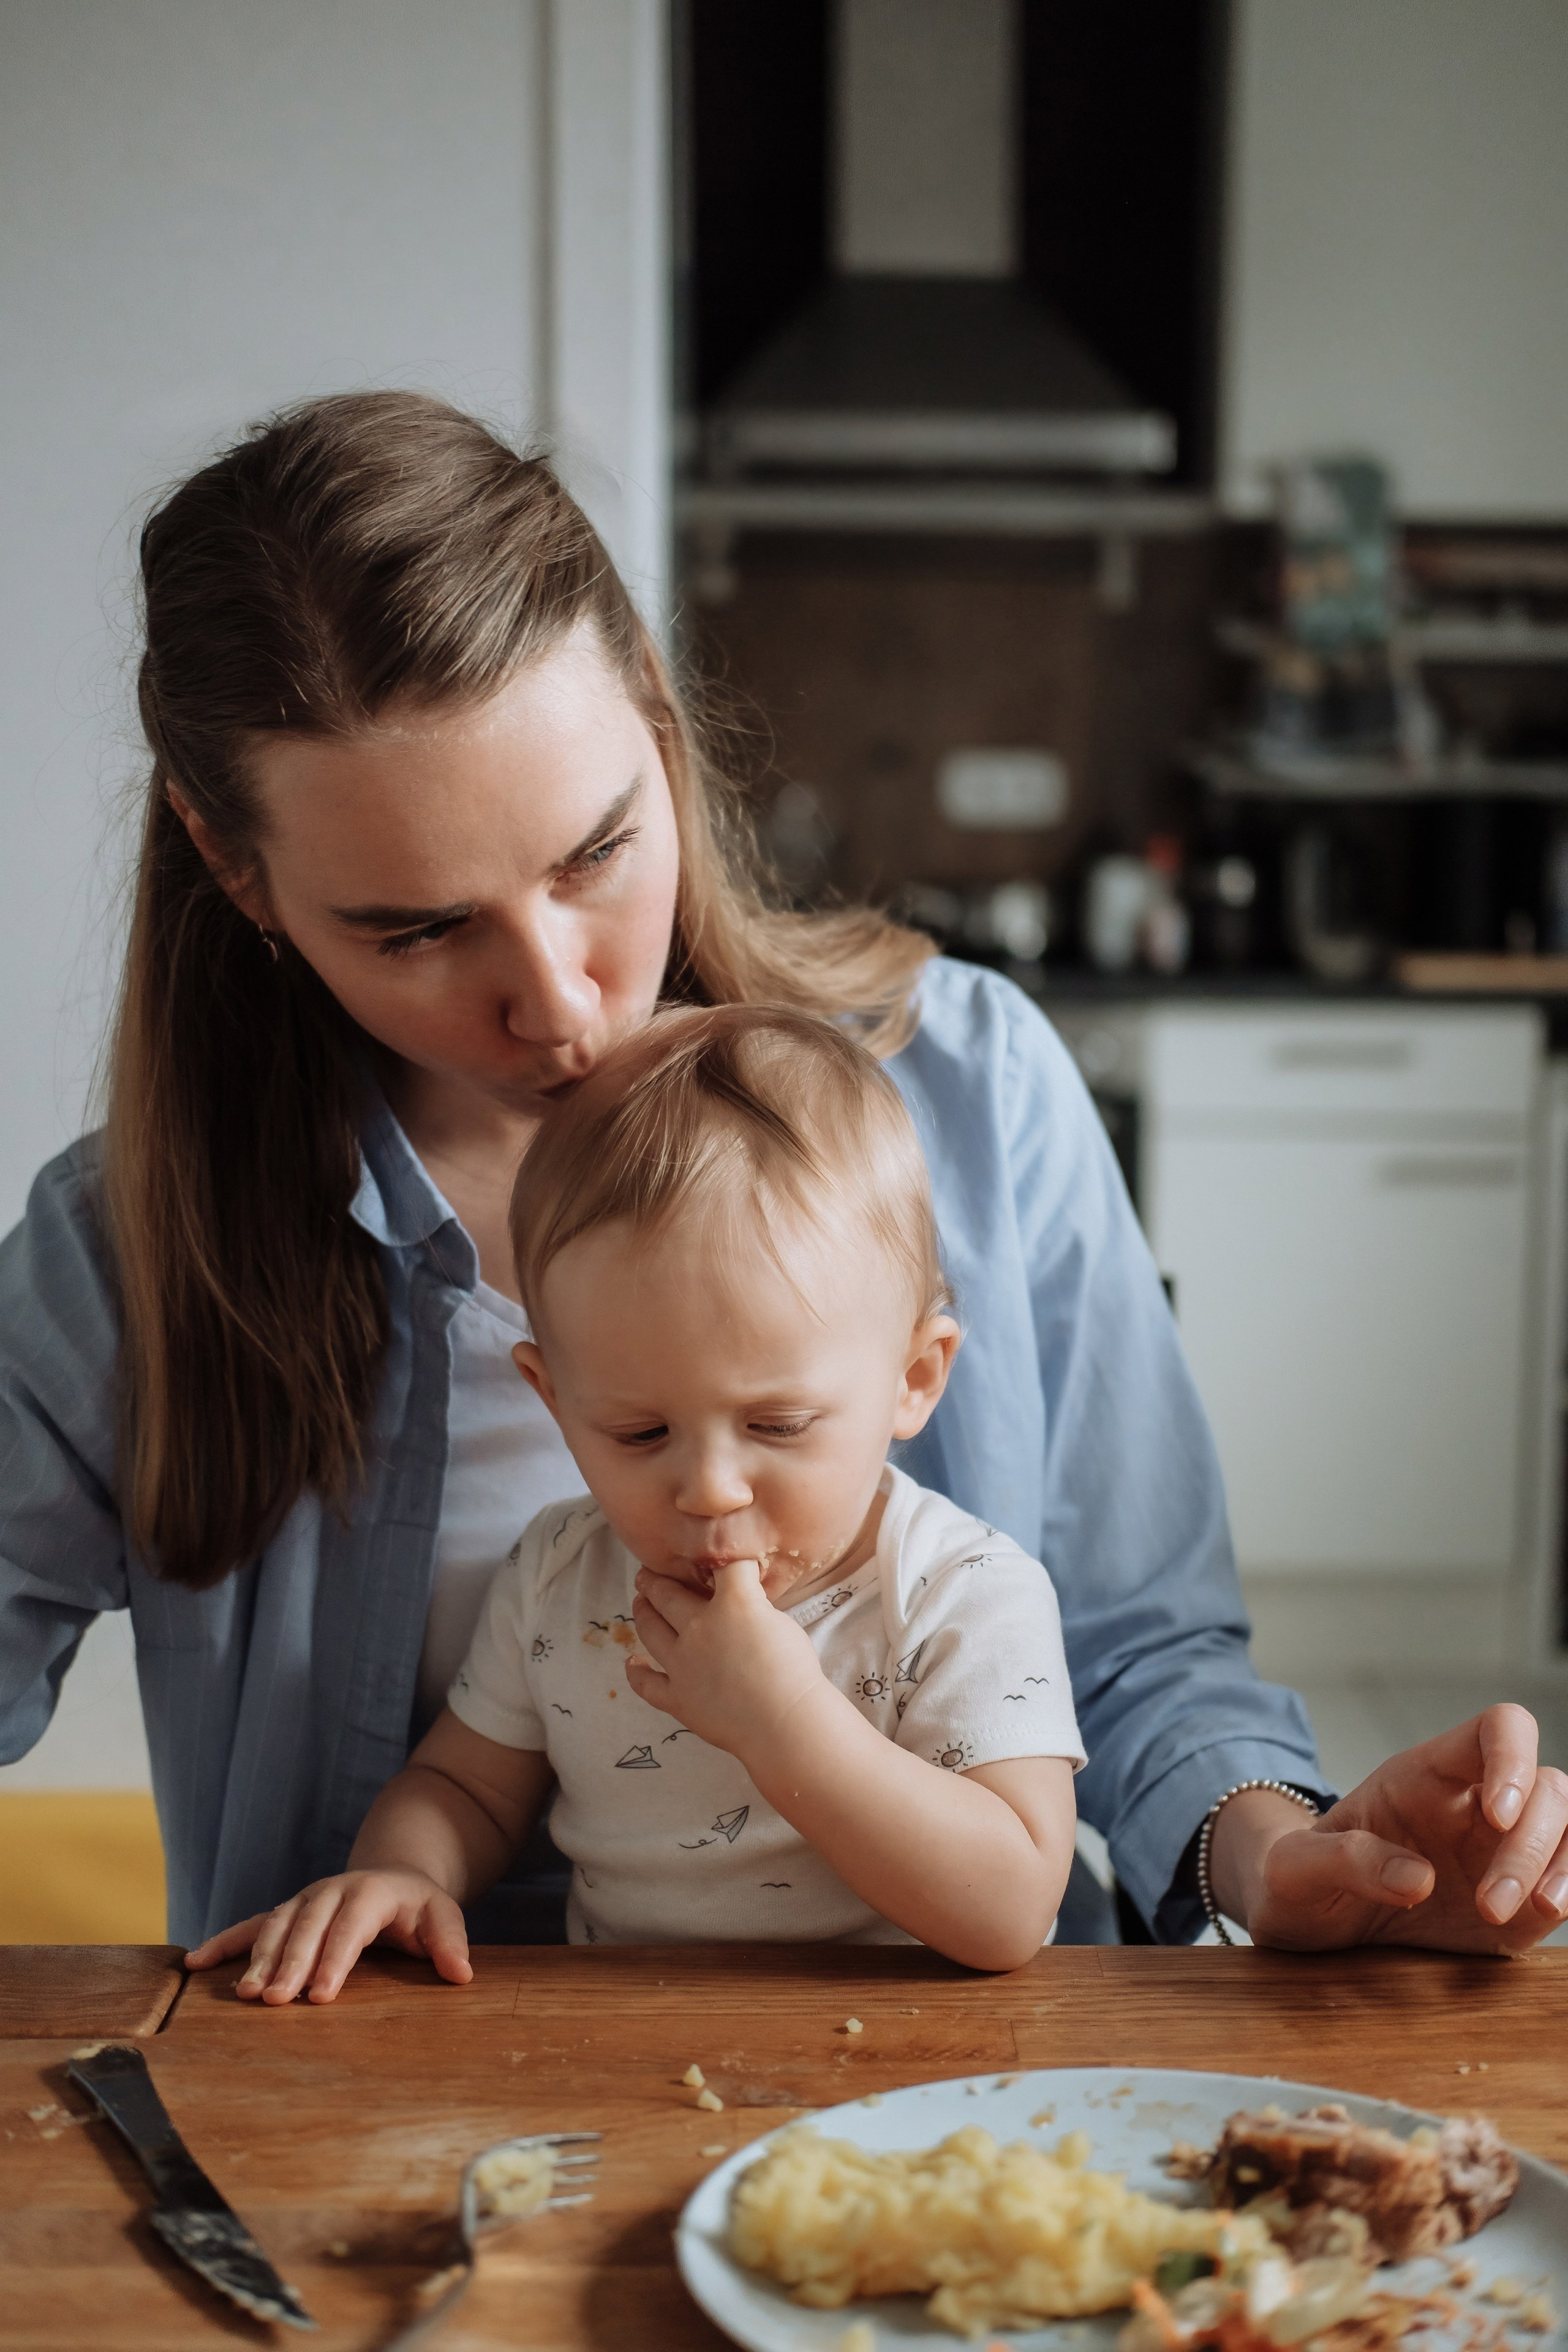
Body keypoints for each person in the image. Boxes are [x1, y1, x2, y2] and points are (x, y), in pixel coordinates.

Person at [1, 391, 1563, 1959]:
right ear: (234, 866)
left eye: (595, 852)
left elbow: (1144, 1650)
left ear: (658, 729)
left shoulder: (973, 1089)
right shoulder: (126, 1257)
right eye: (415, 930)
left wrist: (1286, 1862)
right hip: (373, 2113)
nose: (557, 1001)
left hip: (936, 2088)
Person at [186, 1008, 1086, 2000]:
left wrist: (785, 1722)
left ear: (915, 1377)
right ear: (554, 1398)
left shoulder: (962, 1591)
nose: (709, 1489)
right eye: (639, 1434)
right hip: (625, 2063)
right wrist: (409, 1871)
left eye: (779, 1425)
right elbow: (466, 1788)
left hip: (901, 2085)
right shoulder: (562, 1575)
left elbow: (1011, 1910)